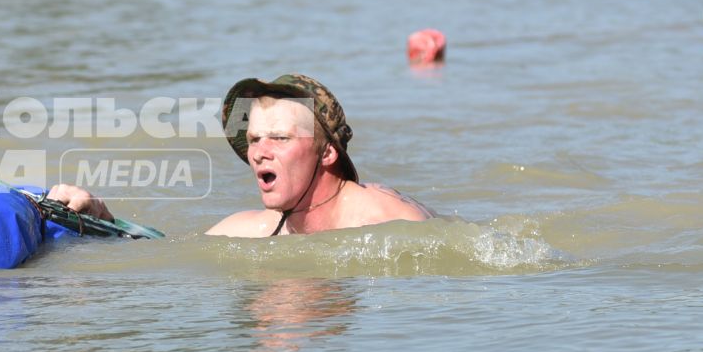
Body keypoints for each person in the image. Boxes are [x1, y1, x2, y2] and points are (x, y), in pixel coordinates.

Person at [46, 73, 430, 237]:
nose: (259, 153)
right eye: (254, 139)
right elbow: (160, 254)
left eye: (279, 138)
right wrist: (100, 218)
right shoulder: (249, 231)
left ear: (327, 152)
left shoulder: (389, 221)